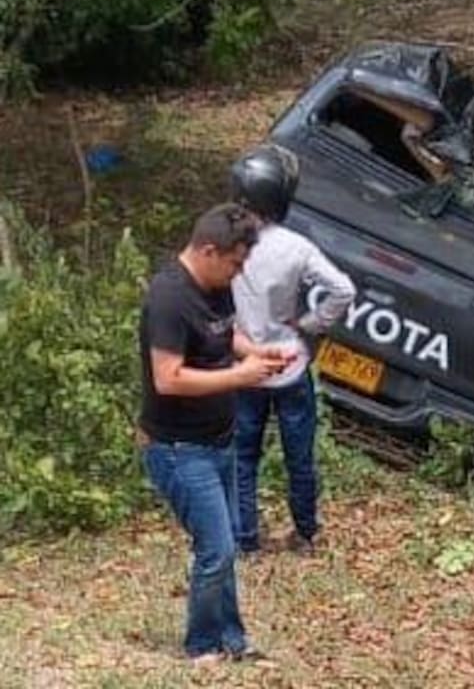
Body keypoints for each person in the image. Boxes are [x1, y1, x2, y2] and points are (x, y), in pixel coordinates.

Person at [138, 203, 293, 664]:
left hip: (218, 440)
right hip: (179, 450)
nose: (239, 273)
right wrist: (241, 378)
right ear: (208, 250)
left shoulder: (215, 286)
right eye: (235, 263)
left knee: (224, 550)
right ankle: (201, 645)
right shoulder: (168, 299)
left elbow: (224, 337)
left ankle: (233, 639)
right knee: (217, 550)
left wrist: (258, 354)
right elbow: (168, 377)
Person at [230, 145, 356, 556]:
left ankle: (246, 539)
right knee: (298, 455)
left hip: (246, 366)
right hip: (290, 364)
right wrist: (309, 324)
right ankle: (305, 534)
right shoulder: (297, 247)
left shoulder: (230, 244)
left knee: (243, 455)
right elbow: (343, 290)